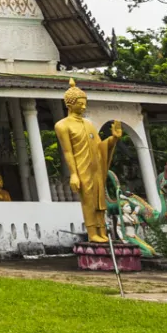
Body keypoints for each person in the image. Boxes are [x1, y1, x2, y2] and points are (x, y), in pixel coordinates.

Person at [53, 79, 122, 243]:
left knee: (100, 199)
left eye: (85, 103)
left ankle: (102, 230)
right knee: (88, 200)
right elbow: (68, 152)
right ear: (70, 104)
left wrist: (113, 139)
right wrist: (73, 174)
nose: (84, 107)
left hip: (96, 166)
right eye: (80, 104)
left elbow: (100, 146)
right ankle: (92, 232)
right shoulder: (62, 125)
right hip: (81, 167)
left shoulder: (89, 124)